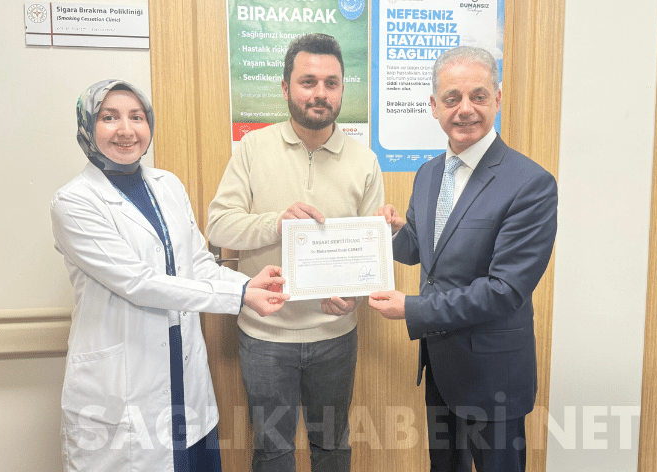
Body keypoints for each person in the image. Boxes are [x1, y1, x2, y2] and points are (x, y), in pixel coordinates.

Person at [51, 79, 289, 472]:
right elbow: (138, 283)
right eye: (109, 117)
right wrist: (239, 297)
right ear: (88, 126)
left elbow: (196, 264)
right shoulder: (73, 202)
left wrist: (245, 284)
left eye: (137, 117)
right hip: (123, 379)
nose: (126, 130)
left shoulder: (168, 186)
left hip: (183, 368)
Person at [369, 46, 558, 472]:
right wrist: (393, 232)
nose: (465, 109)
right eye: (452, 98)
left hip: (493, 376)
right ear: (434, 106)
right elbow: (422, 249)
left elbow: (504, 290)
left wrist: (412, 309)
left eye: (478, 96)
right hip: (441, 368)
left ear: (497, 99)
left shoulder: (530, 184)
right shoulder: (429, 173)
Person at [205, 34, 384, 472]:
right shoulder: (252, 148)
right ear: (286, 87)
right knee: (272, 452)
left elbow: (371, 253)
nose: (320, 93)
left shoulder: (364, 161)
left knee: (333, 447)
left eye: (331, 83)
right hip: (265, 335)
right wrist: (276, 222)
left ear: (342, 89)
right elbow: (218, 224)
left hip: (335, 335)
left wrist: (355, 296)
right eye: (308, 81)